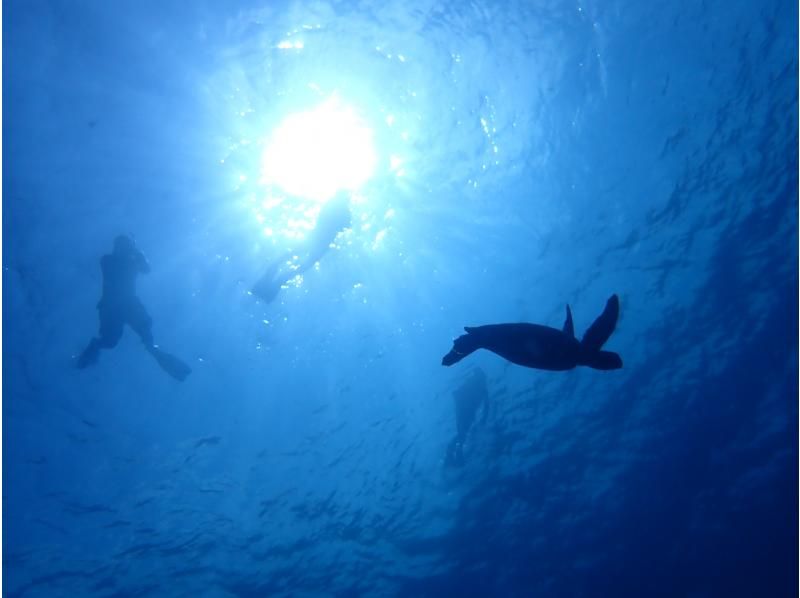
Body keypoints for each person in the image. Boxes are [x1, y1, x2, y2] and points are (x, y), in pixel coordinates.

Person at [76, 235, 191, 381]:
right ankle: (94, 347)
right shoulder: (108, 260)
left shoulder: (132, 260)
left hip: (127, 303)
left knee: (145, 330)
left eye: (126, 246)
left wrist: (138, 255)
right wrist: (136, 255)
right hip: (112, 305)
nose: (123, 249)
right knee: (110, 341)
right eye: (122, 246)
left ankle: (154, 350)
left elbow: (146, 269)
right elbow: (131, 267)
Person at [252, 192, 352, 304]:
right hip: (321, 241)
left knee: (290, 257)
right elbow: (345, 226)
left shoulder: (333, 204)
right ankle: (272, 284)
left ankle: (268, 283)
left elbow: (327, 219)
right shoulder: (342, 209)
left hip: (315, 237)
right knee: (301, 265)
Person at [445, 368, 489, 467]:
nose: (484, 380)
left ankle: (453, 452)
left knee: (462, 433)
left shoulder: (477, 385)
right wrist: (484, 418)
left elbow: (457, 394)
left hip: (465, 411)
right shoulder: (478, 386)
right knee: (462, 433)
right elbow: (486, 406)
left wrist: (484, 418)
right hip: (465, 411)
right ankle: (453, 452)